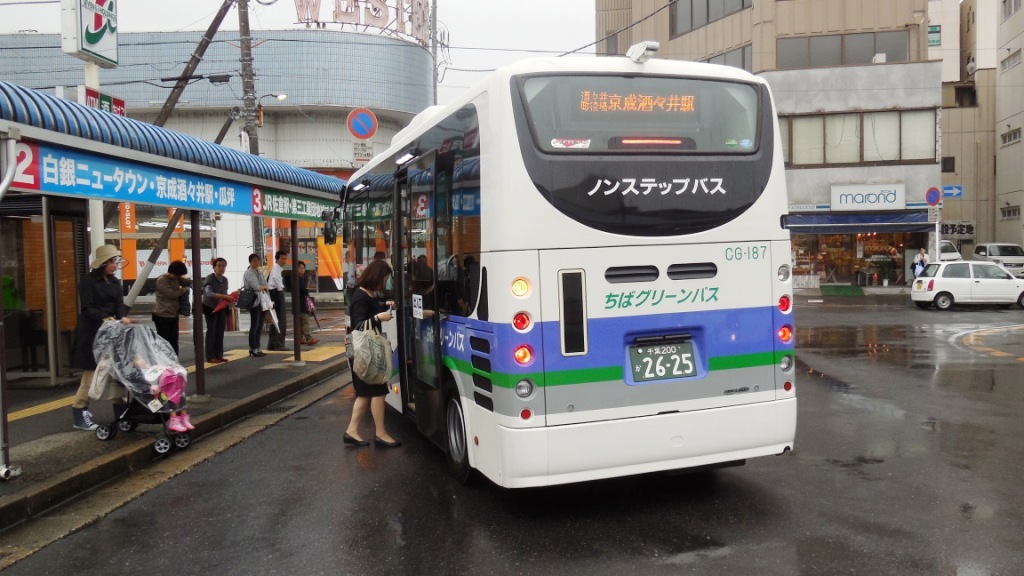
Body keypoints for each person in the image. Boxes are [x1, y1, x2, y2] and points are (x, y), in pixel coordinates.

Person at [70, 244, 133, 431]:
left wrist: (122, 317)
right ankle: (79, 412)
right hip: (92, 333)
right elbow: (87, 308)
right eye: (113, 262)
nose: (115, 265)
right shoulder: (87, 282)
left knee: (117, 375)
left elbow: (120, 304)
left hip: (112, 333)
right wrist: (104, 317)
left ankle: (122, 414)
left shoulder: (114, 282)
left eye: (116, 261)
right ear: (103, 263)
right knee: (91, 376)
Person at [344, 259, 400, 448]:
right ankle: (380, 434)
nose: (385, 282)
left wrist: (384, 306)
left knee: (365, 394)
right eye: (384, 278)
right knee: (377, 391)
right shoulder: (361, 297)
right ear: (376, 277)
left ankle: (352, 431)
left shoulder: (366, 294)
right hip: (365, 354)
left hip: (366, 353)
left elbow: (371, 310)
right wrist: (378, 317)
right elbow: (359, 326)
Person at [152, 260, 190, 356]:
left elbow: (188, 282)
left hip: (173, 314)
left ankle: (174, 361)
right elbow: (171, 294)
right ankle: (165, 362)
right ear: (172, 272)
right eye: (177, 275)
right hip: (162, 315)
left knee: (174, 341)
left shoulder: (176, 278)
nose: (178, 277)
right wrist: (183, 290)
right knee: (164, 342)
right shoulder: (162, 280)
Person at [202, 258, 233, 364]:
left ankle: (219, 355)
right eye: (219, 265)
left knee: (220, 332)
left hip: (222, 308)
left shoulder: (225, 280)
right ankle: (210, 356)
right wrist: (225, 296)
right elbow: (209, 294)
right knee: (211, 331)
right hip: (210, 308)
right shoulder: (209, 278)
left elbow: (225, 293)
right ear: (214, 267)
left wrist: (230, 298)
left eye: (223, 266)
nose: (221, 268)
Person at [242, 253, 269, 357]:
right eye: (254, 261)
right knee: (255, 325)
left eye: (257, 260)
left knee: (259, 325)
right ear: (250, 262)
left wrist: (263, 287)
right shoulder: (249, 273)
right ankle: (253, 348)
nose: (256, 262)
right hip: (254, 302)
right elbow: (255, 287)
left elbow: (265, 284)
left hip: (262, 301)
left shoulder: (259, 272)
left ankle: (257, 347)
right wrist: (263, 287)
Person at [265, 250, 288, 351]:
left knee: (275, 319)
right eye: (282, 259)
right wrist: (280, 288)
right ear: (277, 259)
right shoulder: (277, 268)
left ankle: (272, 344)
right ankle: (279, 344)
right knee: (281, 320)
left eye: (285, 259)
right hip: (276, 292)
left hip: (272, 293)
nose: (284, 261)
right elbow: (275, 278)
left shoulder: (276, 268)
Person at [295, 260, 318, 345]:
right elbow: (304, 290)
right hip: (301, 303)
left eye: (303, 268)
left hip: (300, 303)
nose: (302, 270)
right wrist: (307, 285)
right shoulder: (298, 278)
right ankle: (309, 339)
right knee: (305, 321)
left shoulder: (300, 278)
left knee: (301, 322)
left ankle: (300, 338)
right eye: (300, 268)